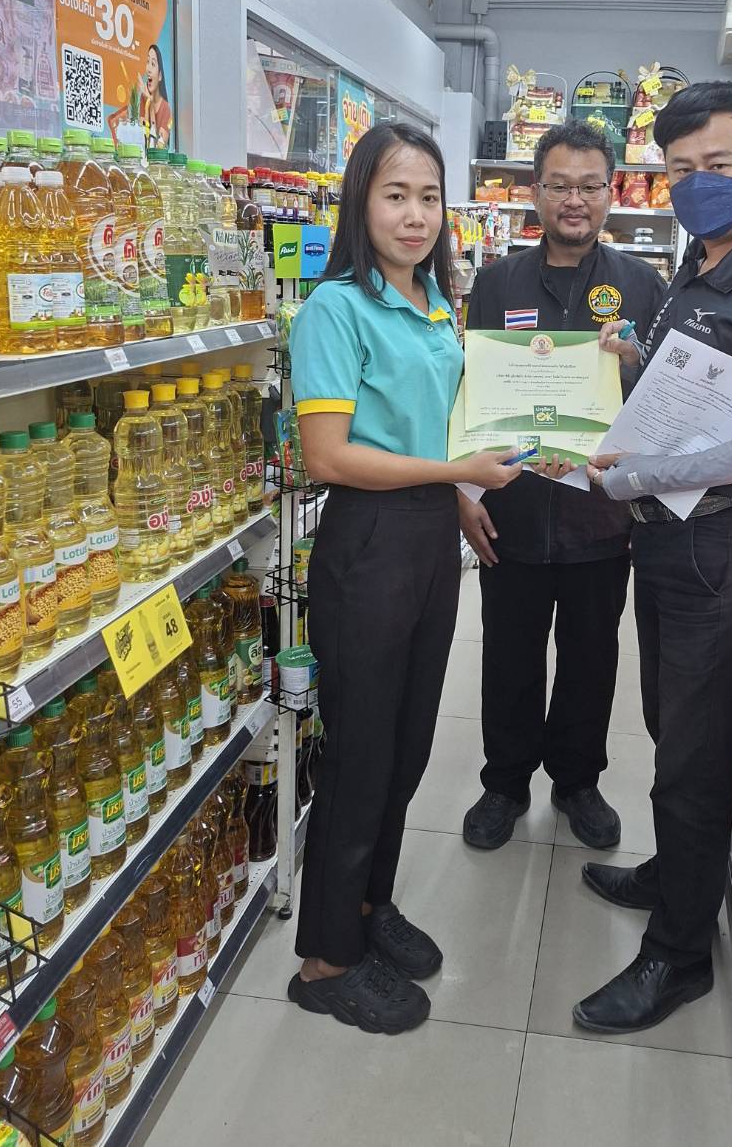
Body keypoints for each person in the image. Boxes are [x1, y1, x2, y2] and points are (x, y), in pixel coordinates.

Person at [571, 81, 732, 1034]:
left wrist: (649, 474)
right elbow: (704, 387)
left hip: (718, 538)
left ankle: (680, 954)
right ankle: (678, 874)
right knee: (669, 725)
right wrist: (630, 360)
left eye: (717, 165)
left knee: (693, 750)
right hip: (668, 534)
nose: (697, 184)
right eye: (679, 169)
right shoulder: (701, 255)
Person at [287, 122, 521, 1035]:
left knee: (410, 744)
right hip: (369, 544)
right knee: (360, 752)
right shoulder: (335, 309)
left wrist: (457, 498)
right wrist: (455, 475)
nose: (415, 215)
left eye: (429, 197)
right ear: (361, 201)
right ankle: (325, 960)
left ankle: (367, 905)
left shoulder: (429, 302)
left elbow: (427, 427)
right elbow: (328, 455)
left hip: (427, 539)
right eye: (396, 195)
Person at [460, 121, 666, 851]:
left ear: (610, 192)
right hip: (511, 511)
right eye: (559, 185)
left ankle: (577, 781)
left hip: (601, 519)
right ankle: (504, 781)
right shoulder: (497, 283)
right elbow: (470, 394)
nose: (574, 200)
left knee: (591, 657)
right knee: (508, 654)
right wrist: (464, 498)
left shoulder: (643, 285)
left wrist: (634, 363)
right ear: (535, 192)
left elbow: (665, 403)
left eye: (589, 186)